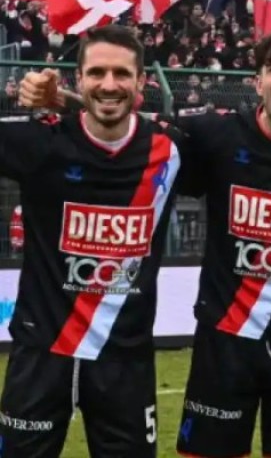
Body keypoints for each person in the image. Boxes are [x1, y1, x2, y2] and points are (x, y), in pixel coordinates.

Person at [20, 26, 271, 458]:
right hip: (223, 342)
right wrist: (62, 98)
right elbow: (125, 123)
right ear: (257, 82)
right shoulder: (215, 135)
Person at [0, 25, 188, 457]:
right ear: (79, 78)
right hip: (42, 353)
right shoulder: (40, 143)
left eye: (122, 74)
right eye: (97, 73)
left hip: (125, 360)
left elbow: (260, 138)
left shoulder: (172, 149)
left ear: (142, 82)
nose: (109, 83)